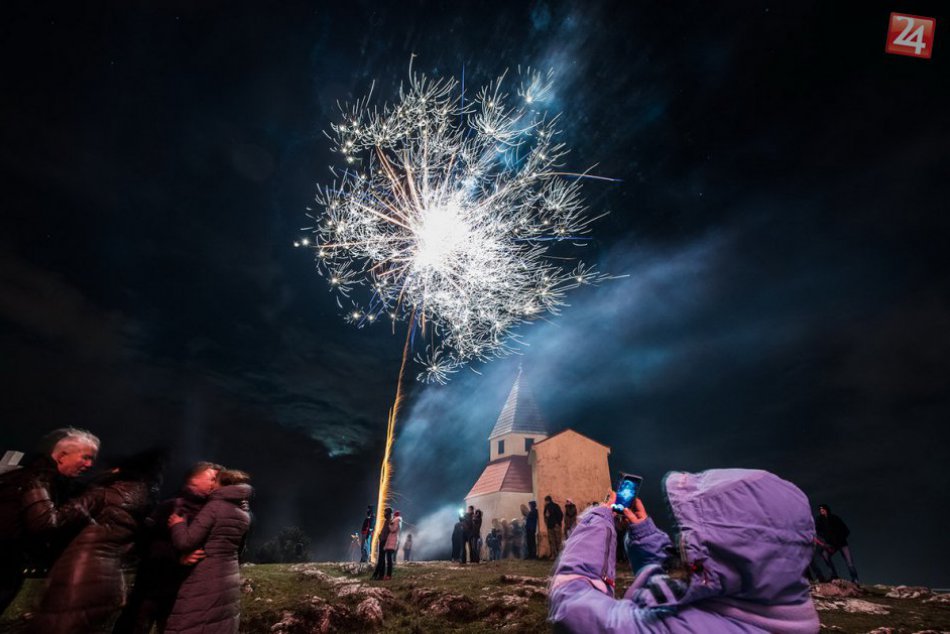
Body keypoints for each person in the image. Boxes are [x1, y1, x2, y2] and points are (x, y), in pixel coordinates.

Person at [550, 469, 820, 633]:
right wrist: (645, 533)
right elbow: (698, 577)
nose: (685, 540)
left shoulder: (681, 627)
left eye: (696, 535)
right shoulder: (769, 602)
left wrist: (598, 519)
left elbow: (573, 607)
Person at [29, 450, 165, 634]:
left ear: (119, 471)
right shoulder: (141, 504)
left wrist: (37, 484)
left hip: (77, 577)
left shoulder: (104, 495)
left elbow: (49, 521)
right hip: (108, 579)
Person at [113, 461, 223, 633]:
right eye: (213, 478)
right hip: (153, 584)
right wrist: (178, 558)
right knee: (135, 624)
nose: (216, 484)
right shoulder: (170, 506)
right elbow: (146, 542)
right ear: (193, 479)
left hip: (183, 590)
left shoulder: (211, 511)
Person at [0, 427, 100, 614]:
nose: (90, 465)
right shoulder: (38, 479)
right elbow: (44, 523)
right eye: (86, 457)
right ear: (61, 456)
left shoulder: (49, 481)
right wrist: (81, 507)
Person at [165, 469, 253, 634]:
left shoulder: (214, 507)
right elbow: (240, 549)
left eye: (214, 480)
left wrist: (177, 524)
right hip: (229, 578)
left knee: (189, 622)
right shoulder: (244, 514)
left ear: (222, 484)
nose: (212, 485)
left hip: (206, 576)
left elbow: (186, 542)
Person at [815, 504, 859, 583]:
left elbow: (845, 529)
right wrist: (825, 539)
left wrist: (840, 538)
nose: (822, 511)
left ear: (827, 509)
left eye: (823, 509)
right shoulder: (819, 520)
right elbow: (817, 531)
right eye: (820, 510)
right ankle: (834, 575)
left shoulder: (835, 518)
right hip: (831, 544)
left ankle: (855, 579)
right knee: (825, 554)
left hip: (842, 543)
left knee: (849, 562)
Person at [371, 507, 392, 579]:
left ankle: (375, 575)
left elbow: (388, 533)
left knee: (381, 559)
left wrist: (381, 537)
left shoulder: (389, 522)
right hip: (382, 541)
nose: (384, 514)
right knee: (382, 560)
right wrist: (380, 535)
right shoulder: (387, 521)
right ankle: (381, 575)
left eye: (385, 512)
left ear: (388, 513)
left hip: (384, 542)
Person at [382, 510, 402, 579]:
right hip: (392, 540)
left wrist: (390, 525)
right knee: (389, 559)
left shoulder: (396, 521)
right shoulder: (397, 521)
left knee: (389, 559)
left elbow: (393, 530)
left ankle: (389, 575)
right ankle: (388, 575)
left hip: (392, 541)